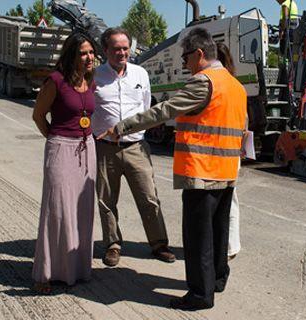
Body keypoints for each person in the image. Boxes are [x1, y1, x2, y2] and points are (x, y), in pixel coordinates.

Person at [98, 28, 247, 311]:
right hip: (226, 172)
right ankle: (217, 279)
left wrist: (122, 127)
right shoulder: (234, 85)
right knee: (218, 232)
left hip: (202, 171)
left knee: (197, 238)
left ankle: (200, 295)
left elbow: (163, 111)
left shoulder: (203, 83)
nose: (184, 62)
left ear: (200, 54)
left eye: (186, 56)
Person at [91, 27, 175, 266]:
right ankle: (113, 245)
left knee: (149, 198)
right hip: (105, 149)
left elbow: (146, 107)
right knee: (107, 200)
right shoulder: (95, 77)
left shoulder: (140, 74)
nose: (122, 53)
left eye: (125, 48)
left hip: (137, 147)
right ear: (105, 50)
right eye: (116, 49)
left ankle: (159, 244)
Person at [31, 33, 97, 293]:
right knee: (57, 210)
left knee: (81, 211)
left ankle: (77, 269)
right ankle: (45, 274)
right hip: (61, 147)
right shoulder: (56, 81)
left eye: (91, 52)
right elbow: (38, 115)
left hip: (87, 148)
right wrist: (56, 140)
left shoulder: (89, 81)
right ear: (71, 55)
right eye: (83, 52)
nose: (89, 57)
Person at [216, 42, 241, 260]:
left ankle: (226, 247)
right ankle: (229, 246)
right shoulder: (237, 86)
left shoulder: (216, 85)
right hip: (232, 152)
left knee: (223, 203)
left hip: (218, 154)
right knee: (229, 200)